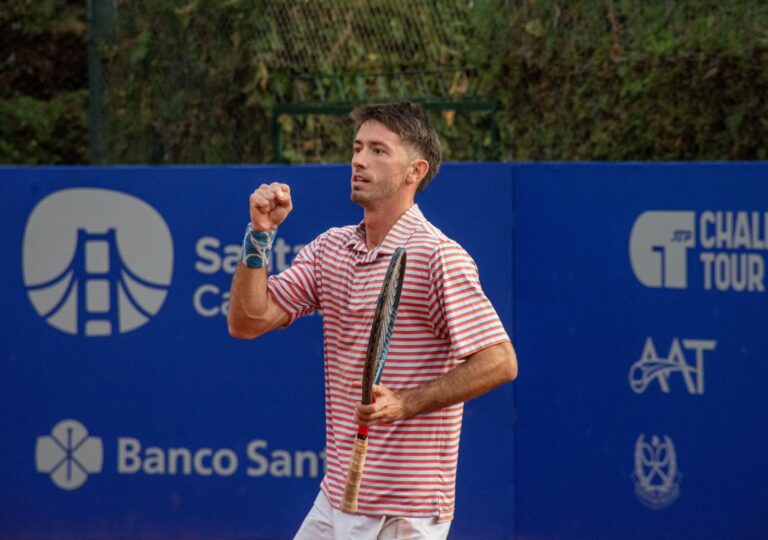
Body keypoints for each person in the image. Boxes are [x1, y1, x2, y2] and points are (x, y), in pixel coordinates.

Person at [227, 101, 517, 540]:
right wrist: (258, 237)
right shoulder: (330, 249)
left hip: (406, 512)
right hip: (338, 497)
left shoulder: (439, 256)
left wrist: (405, 402)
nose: (360, 160)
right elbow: (247, 321)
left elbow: (500, 360)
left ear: (414, 171)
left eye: (379, 151)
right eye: (358, 147)